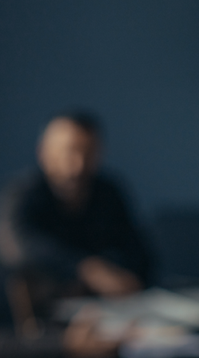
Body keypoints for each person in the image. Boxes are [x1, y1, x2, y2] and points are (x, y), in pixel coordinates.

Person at [0, 112, 151, 321]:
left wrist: (126, 278)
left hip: (105, 313)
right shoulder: (20, 194)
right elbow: (17, 248)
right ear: (43, 152)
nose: (78, 165)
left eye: (88, 153)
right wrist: (86, 270)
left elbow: (139, 252)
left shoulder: (109, 193)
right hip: (36, 321)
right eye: (68, 152)